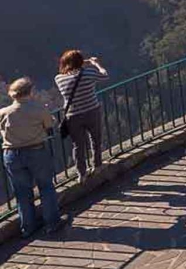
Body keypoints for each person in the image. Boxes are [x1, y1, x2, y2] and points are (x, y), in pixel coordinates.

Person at [1, 78, 65, 237]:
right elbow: (50, 126)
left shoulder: (3, 112)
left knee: (22, 192)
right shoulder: (39, 109)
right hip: (36, 151)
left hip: (11, 154)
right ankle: (52, 223)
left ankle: (28, 228)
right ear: (30, 92)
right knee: (46, 187)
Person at [54, 50, 109, 177]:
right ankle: (97, 165)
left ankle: (81, 174)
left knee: (78, 146)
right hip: (92, 111)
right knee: (95, 140)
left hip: (73, 116)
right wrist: (95, 64)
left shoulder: (59, 79)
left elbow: (66, 72)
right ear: (80, 62)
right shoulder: (88, 73)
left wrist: (77, 63)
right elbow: (105, 75)